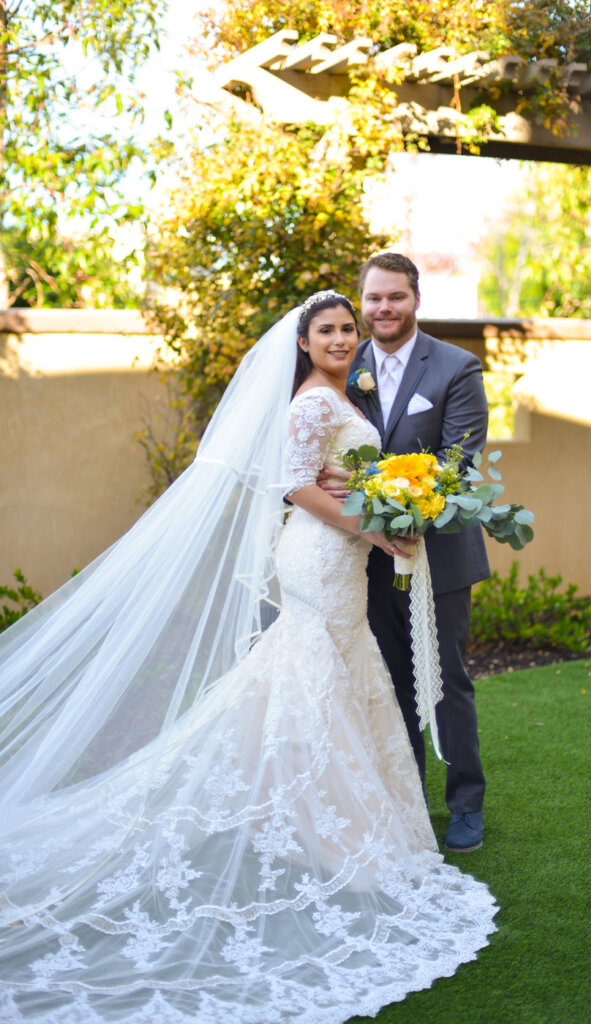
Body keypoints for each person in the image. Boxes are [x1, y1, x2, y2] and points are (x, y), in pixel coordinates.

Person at [0, 291, 496, 1024]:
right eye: (326, 329)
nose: (340, 338)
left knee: (316, 675)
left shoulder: (340, 395)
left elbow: (336, 475)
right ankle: (335, 840)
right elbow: (294, 485)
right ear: (303, 341)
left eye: (346, 329)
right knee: (318, 676)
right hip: (319, 560)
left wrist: (374, 498)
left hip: (339, 559)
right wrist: (381, 529)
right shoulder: (310, 405)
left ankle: (309, 820)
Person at [346, 254, 491, 853]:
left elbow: (458, 460)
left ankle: (466, 806)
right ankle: (404, 800)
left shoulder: (456, 366)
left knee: (446, 677)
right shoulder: (341, 363)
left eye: (395, 298)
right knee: (388, 678)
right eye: (374, 298)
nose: (384, 308)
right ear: (363, 301)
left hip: (442, 553)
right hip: (364, 554)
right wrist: (374, 522)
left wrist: (410, 514)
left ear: (415, 299)